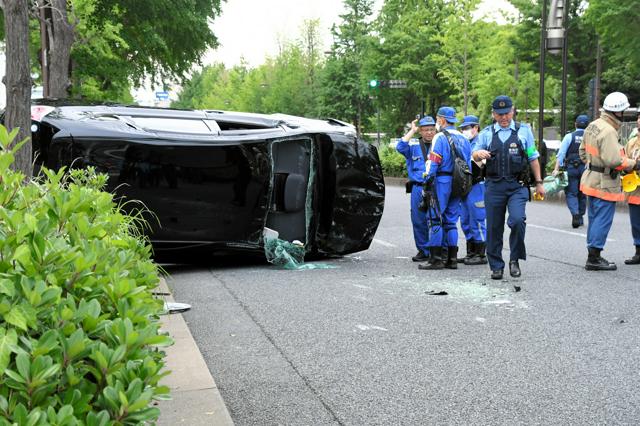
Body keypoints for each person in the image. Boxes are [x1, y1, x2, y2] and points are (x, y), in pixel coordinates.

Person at [472, 95, 546, 280]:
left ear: (513, 111)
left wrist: (539, 183)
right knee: (494, 228)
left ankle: (515, 259)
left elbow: (532, 157)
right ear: (493, 114)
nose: (504, 118)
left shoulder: (524, 132)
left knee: (518, 220)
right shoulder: (487, 133)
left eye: (507, 113)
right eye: (499, 114)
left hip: (517, 186)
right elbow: (475, 156)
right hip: (494, 186)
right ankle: (496, 265)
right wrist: (477, 154)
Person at [579, 92, 638, 271]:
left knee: (594, 218)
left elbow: (582, 152)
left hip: (591, 179)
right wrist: (635, 163)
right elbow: (615, 161)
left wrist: (593, 164)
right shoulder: (609, 131)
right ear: (618, 112)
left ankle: (592, 253)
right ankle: (594, 257)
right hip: (605, 182)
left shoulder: (593, 125)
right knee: (602, 220)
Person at [419, 107, 471, 270]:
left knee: (435, 218)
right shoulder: (464, 138)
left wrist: (427, 180)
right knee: (450, 221)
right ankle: (452, 259)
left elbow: (434, 161)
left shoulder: (440, 137)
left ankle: (435, 259)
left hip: (442, 180)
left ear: (441, 120)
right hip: (459, 182)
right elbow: (468, 164)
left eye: (437, 119)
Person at [396, 116, 437, 262]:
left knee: (437, 220)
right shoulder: (413, 145)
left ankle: (438, 250)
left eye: (431, 130)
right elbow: (400, 147)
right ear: (421, 130)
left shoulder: (439, 144)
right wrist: (411, 131)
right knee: (419, 220)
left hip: (436, 187)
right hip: (418, 188)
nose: (429, 133)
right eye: (425, 130)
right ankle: (424, 250)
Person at [457, 115, 487, 265]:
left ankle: (481, 254)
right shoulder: (464, 142)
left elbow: (478, 163)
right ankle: (471, 252)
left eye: (468, 128)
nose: (465, 131)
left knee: (477, 218)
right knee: (465, 219)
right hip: (464, 186)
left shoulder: (481, 142)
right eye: (463, 128)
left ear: (476, 128)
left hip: (477, 184)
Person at [552, 114, 590, 228]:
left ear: (575, 124)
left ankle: (575, 213)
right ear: (588, 126)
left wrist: (556, 169)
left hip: (571, 168)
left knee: (571, 193)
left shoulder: (569, 136)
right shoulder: (590, 138)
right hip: (585, 168)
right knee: (583, 193)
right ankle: (581, 217)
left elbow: (561, 153)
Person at [623, 113, 640, 265]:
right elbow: (625, 160)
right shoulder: (632, 142)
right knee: (636, 223)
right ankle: (638, 251)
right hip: (635, 190)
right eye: (639, 118)